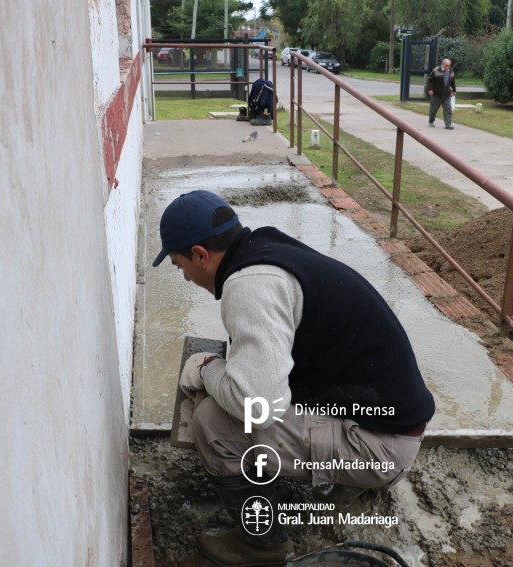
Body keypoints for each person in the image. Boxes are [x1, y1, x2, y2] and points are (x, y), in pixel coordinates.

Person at [152, 190, 435, 566]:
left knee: (212, 421)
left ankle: (261, 545)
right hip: (387, 421)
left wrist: (206, 369)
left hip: (382, 447)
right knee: (233, 374)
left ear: (201, 255)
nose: (185, 277)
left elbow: (258, 407)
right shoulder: (266, 249)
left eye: (179, 265)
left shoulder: (249, 286)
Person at [425, 58, 457, 130]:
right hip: (436, 94)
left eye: (449, 66)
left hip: (446, 94)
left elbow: (453, 82)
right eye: (446, 66)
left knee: (448, 109)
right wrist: (430, 89)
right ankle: (431, 122)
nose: (447, 67)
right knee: (433, 109)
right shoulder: (436, 70)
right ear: (442, 64)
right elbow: (429, 80)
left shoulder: (451, 71)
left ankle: (448, 124)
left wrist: (454, 90)